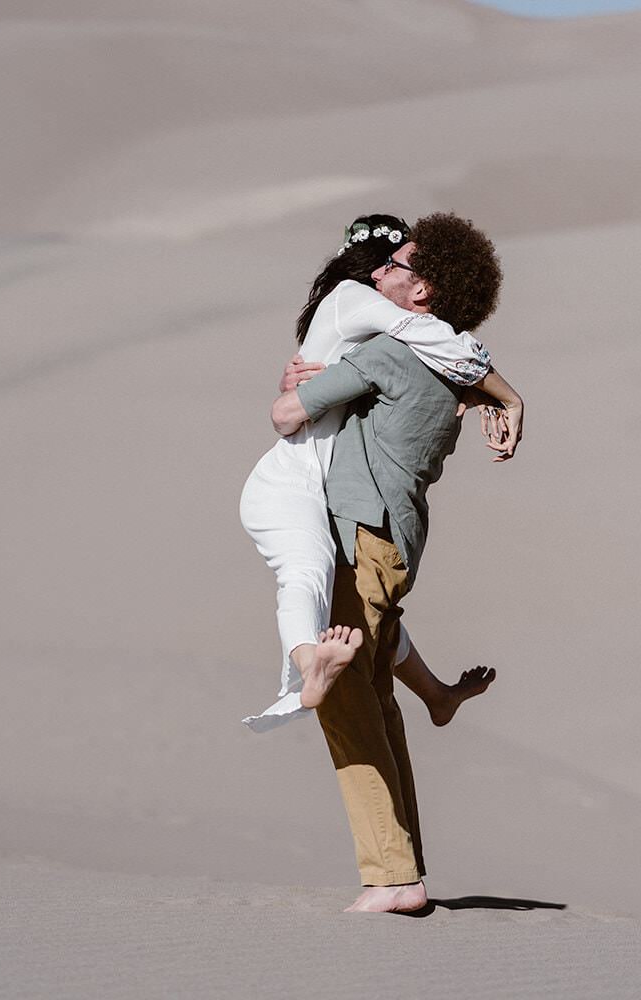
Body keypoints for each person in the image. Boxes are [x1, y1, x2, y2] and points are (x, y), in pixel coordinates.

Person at [268, 212, 506, 912]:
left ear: (423, 292)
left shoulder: (388, 357)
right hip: (397, 544)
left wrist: (300, 380)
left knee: (343, 697)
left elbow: (288, 415)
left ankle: (392, 877)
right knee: (375, 695)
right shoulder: (452, 374)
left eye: (395, 268)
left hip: (360, 534)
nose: (377, 275)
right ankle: (404, 866)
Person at [239, 214, 522, 734]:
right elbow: (430, 334)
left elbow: (424, 348)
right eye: (392, 262)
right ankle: (309, 668)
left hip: (319, 482)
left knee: (368, 612)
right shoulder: (356, 297)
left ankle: (435, 695)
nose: (378, 277)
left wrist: (479, 394)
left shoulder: (368, 321)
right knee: (309, 572)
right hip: (292, 479)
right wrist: (503, 394)